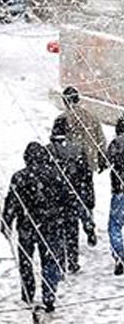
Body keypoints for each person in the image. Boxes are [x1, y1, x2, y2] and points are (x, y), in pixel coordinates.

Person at [1, 143, 64, 312]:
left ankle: (28, 292)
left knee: (26, 261)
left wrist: (6, 222)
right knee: (49, 261)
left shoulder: (19, 177)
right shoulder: (55, 175)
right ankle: (49, 294)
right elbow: (64, 200)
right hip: (50, 224)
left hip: (27, 225)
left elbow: (12, 202)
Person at [49, 115, 96, 274]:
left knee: (57, 230)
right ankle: (73, 260)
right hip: (73, 195)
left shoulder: (48, 150)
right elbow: (86, 176)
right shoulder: (78, 149)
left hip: (55, 198)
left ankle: (60, 260)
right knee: (71, 228)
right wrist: (89, 196)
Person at [60, 87, 106, 173]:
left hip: (72, 163)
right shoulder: (91, 116)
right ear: (78, 99)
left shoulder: (62, 119)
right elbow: (101, 139)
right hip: (90, 161)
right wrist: (101, 157)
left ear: (64, 101)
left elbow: (58, 144)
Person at [106, 116, 124, 275]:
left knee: (115, 225)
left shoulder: (116, 143)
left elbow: (107, 160)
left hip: (120, 191)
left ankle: (120, 254)